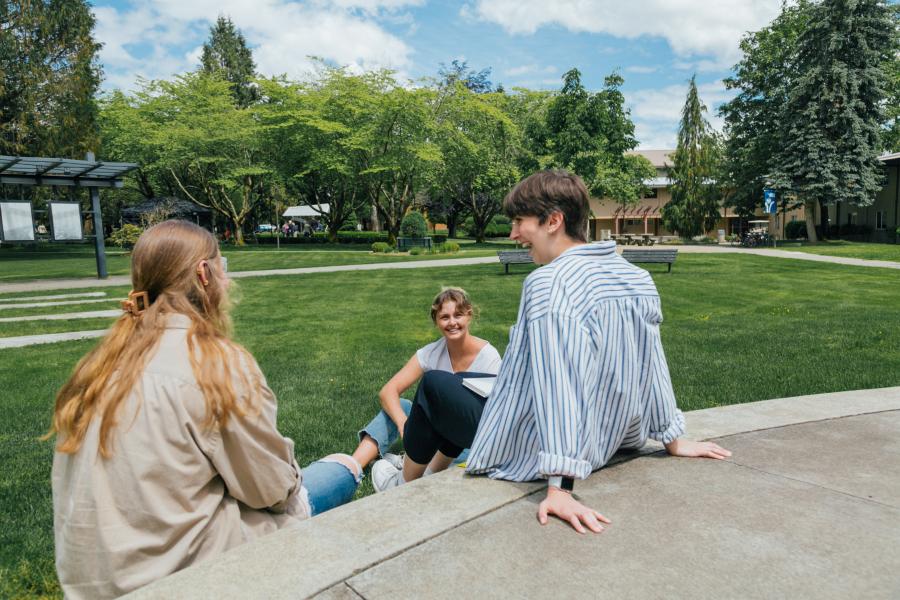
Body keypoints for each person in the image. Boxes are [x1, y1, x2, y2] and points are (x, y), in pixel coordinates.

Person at [374, 170, 731, 533]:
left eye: (518, 221)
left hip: (539, 445)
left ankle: (402, 482)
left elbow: (560, 379)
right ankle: (424, 473)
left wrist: (560, 484)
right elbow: (651, 362)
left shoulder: (548, 283)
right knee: (461, 382)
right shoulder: (635, 276)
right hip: (611, 436)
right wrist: (672, 439)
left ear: (553, 221)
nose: (513, 234)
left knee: (434, 387)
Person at [48, 220, 362, 599]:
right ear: (204, 273)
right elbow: (273, 491)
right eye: (222, 267)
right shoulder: (213, 364)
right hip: (189, 578)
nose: (227, 281)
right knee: (337, 472)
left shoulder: (97, 367)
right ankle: (366, 459)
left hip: (96, 584)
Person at [351, 287, 502, 490]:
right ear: (436, 321)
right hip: (430, 436)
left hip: (463, 447)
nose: (452, 323)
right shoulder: (431, 353)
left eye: (458, 315)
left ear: (469, 315)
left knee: (443, 421)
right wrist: (404, 424)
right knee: (401, 405)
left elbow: (491, 416)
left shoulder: (489, 357)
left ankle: (405, 470)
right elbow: (388, 391)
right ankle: (352, 467)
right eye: (444, 317)